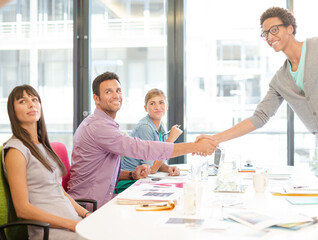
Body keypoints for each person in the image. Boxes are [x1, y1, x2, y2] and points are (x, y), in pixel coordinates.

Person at [197, 7, 318, 208]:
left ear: (290, 28)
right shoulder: (280, 79)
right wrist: (215, 138)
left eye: (274, 29)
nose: (269, 37)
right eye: (265, 33)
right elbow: (259, 117)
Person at [68, 71, 217, 208]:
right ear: (96, 98)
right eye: (108, 92)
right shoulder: (98, 127)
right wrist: (196, 146)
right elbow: (143, 149)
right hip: (90, 204)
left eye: (118, 90)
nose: (115, 95)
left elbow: (100, 172)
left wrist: (132, 174)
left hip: (102, 197)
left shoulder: (104, 123)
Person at [2, 85, 89, 240]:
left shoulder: (43, 146)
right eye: (23, 101)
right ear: (13, 112)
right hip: (51, 232)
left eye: (35, 99)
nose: (31, 104)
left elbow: (60, 192)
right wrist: (71, 224)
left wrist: (87, 215)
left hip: (73, 225)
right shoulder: (16, 150)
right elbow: (23, 209)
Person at [122, 88, 182, 176]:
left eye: (161, 102)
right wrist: (170, 140)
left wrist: (168, 168)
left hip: (144, 178)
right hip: (131, 181)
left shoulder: (161, 127)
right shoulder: (145, 127)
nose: (157, 107)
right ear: (145, 108)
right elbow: (152, 169)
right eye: (152, 103)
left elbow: (157, 162)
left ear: (167, 106)